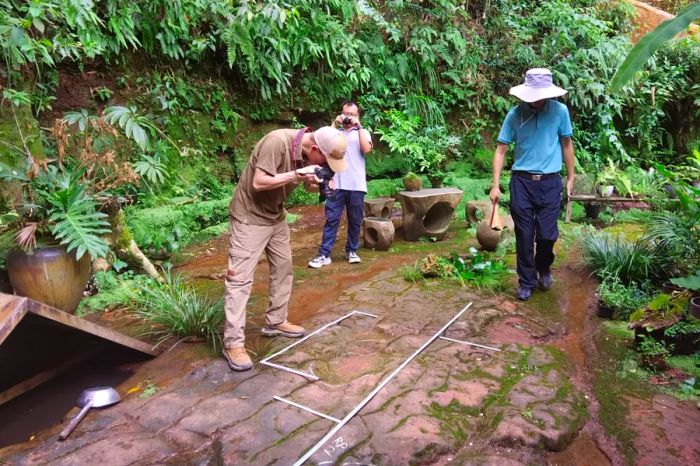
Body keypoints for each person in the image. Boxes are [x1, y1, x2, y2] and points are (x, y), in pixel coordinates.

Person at [223, 126, 348, 371]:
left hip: (276, 216)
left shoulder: (304, 151)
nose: (329, 165)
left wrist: (316, 182)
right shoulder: (276, 142)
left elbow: (305, 184)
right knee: (240, 280)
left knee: (283, 269)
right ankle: (233, 343)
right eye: (326, 161)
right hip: (249, 217)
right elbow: (259, 183)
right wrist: (297, 175)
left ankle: (275, 321)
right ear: (314, 149)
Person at [489, 68, 575, 301]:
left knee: (547, 235)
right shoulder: (515, 115)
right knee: (525, 235)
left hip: (550, 182)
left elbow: (566, 145)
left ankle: (544, 267)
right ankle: (526, 281)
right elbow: (500, 150)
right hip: (522, 183)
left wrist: (570, 177)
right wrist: (495, 185)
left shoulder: (560, 112)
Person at [308, 101, 373, 268]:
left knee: (355, 219)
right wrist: (334, 123)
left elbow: (366, 149)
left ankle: (352, 251)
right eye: (345, 113)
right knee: (332, 219)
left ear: (358, 116)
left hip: (356, 184)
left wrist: (358, 127)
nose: (348, 117)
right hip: (336, 182)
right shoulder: (335, 133)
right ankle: (324, 254)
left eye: (352, 114)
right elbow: (322, 144)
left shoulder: (363, 132)